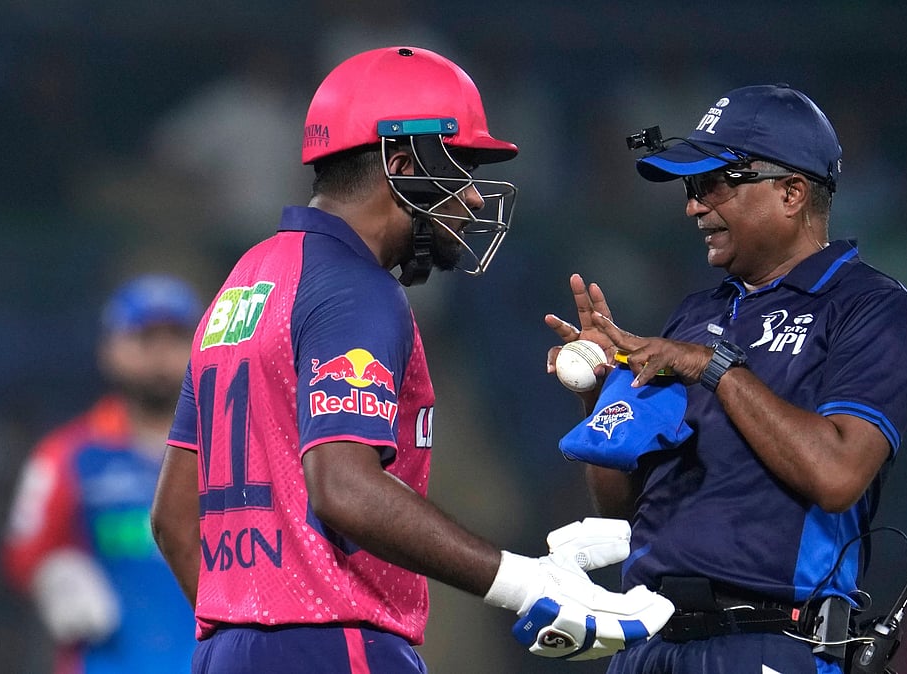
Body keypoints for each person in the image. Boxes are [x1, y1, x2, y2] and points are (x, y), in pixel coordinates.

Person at [148, 46, 673, 674]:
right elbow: (344, 488)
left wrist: (248, 628)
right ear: (402, 162)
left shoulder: (246, 280)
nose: (475, 199)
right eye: (463, 168)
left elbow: (175, 519)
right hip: (335, 644)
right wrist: (527, 583)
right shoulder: (355, 286)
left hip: (225, 651)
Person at [545, 84, 907, 674]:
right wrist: (601, 397)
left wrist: (715, 366)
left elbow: (837, 474)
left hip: (771, 640)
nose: (694, 206)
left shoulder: (870, 308)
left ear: (791, 192)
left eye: (713, 185)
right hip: (648, 642)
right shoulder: (694, 316)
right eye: (690, 188)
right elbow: (625, 505)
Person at [2, 273, 202, 673]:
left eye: (177, 338)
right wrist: (53, 573)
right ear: (109, 349)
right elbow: (24, 551)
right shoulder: (67, 454)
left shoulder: (230, 452)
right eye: (144, 338)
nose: (160, 354)